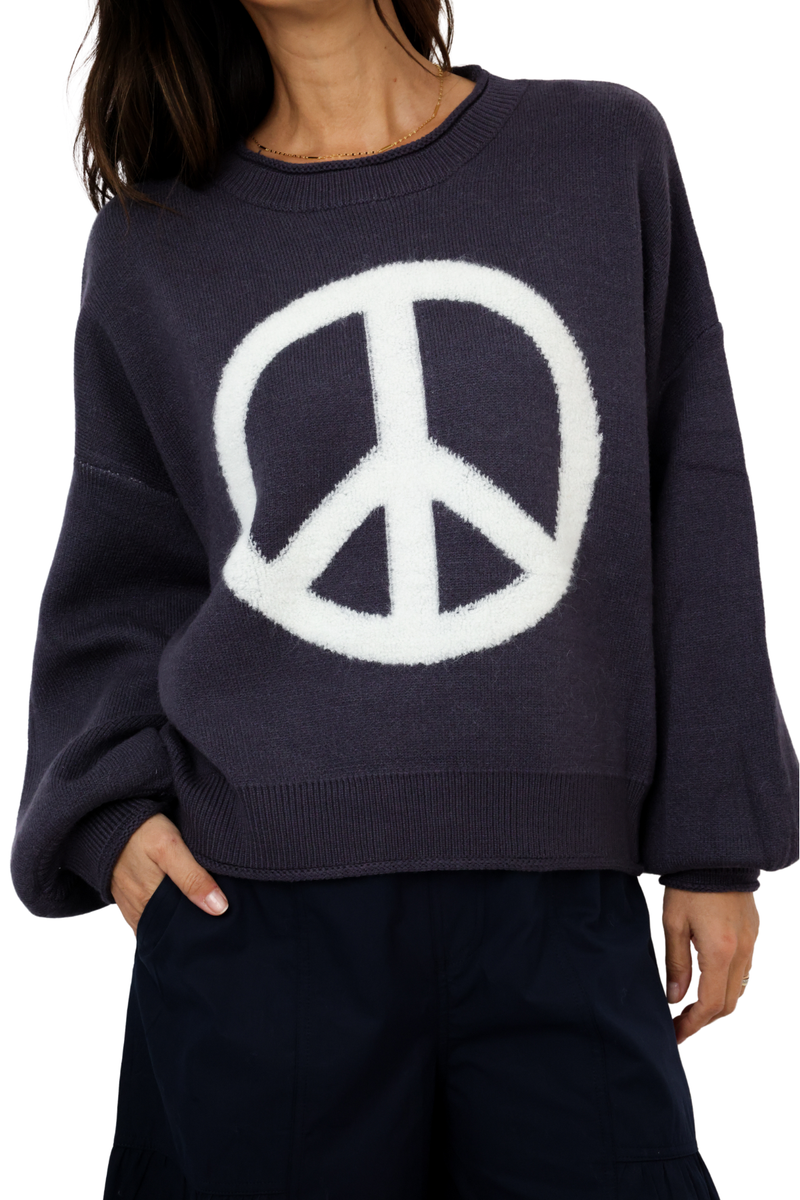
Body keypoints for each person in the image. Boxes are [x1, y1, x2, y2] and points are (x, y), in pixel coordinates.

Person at [10, 0, 798, 1196]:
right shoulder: (152, 246)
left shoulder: (598, 154)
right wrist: (107, 818)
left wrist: (715, 841)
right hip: (253, 926)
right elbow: (123, 573)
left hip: (560, 910)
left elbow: (688, 489)